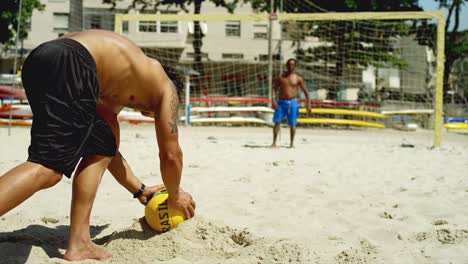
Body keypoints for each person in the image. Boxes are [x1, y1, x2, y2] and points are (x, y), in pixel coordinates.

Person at [0, 30, 196, 261]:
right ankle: (79, 241)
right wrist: (174, 196)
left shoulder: (117, 85)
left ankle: (79, 242)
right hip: (72, 61)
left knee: (100, 146)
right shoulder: (167, 87)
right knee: (47, 168)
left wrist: (140, 190)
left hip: (41, 58)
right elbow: (171, 154)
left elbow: (107, 150)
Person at [271, 58, 311, 148]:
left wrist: (308, 104)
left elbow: (306, 92)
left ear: (295, 66)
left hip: (293, 102)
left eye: (292, 64)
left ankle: (291, 143)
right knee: (277, 122)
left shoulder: (298, 78)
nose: (290, 66)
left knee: (292, 123)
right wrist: (273, 100)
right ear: (286, 65)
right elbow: (274, 89)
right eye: (289, 64)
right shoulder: (281, 77)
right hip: (281, 103)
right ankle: (274, 142)